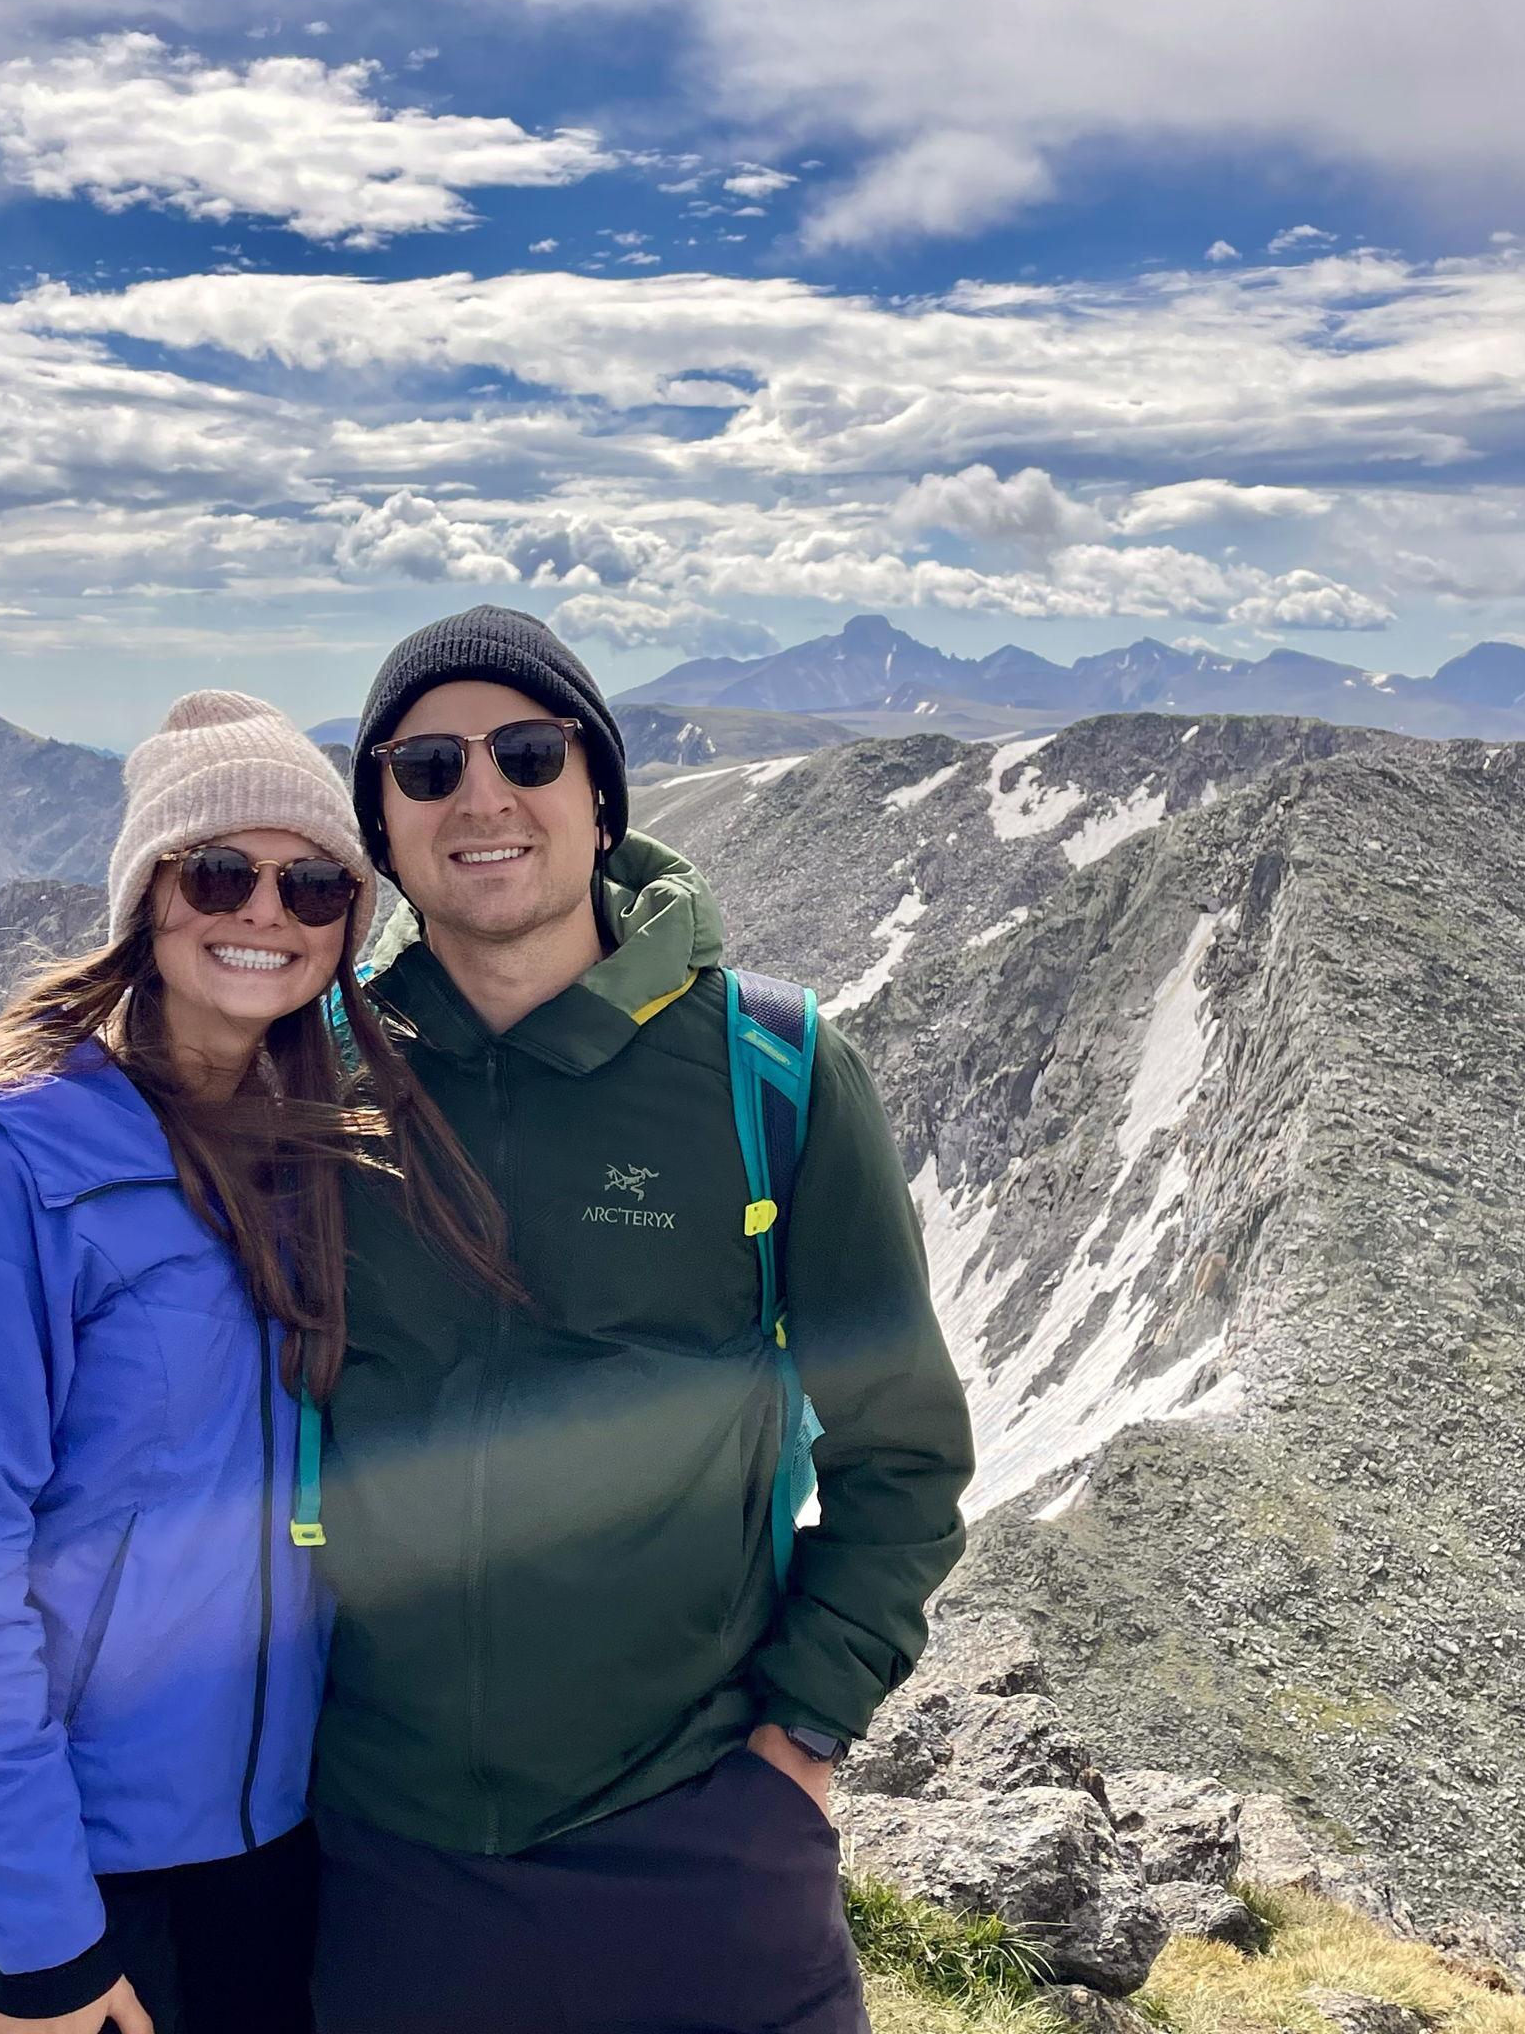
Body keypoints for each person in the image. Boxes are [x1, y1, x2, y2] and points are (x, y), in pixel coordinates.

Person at [309, 606, 977, 2034]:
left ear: (599, 793)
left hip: (700, 1843)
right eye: (424, 769)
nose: (481, 796)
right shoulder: (319, 1082)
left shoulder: (773, 1071)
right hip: (386, 1856)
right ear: (381, 822)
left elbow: (904, 1450)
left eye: (529, 752)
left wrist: (800, 1740)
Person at [0, 693, 513, 2034]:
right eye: (219, 873)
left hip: (276, 1844)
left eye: (314, 886)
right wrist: (47, 1942)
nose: (267, 913)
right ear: (146, 895)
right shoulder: (2, 1163)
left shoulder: (307, 1145)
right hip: (80, 1871)